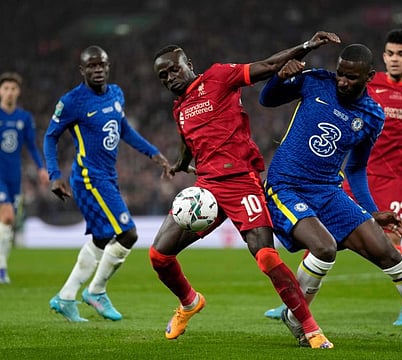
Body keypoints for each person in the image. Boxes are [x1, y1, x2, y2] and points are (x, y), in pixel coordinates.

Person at [258, 43, 402, 348]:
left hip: (328, 189)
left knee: (388, 252)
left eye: (351, 77)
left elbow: (357, 168)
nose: (342, 81)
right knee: (324, 247)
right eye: (341, 73)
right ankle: (298, 318)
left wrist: (371, 211)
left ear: (369, 76)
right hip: (286, 185)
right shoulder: (318, 80)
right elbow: (267, 99)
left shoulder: (372, 115)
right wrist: (280, 77)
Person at [149, 31, 341, 349]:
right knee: (158, 256)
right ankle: (189, 302)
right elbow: (189, 143)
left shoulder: (219, 77)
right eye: (162, 76)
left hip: (242, 182)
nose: (169, 77)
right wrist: (181, 164)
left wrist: (307, 46)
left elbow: (267, 65)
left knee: (265, 256)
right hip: (206, 189)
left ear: (189, 64)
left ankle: (309, 327)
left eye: (173, 69)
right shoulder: (179, 108)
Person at [44, 45, 172, 322]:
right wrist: (54, 175)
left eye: (101, 65)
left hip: (107, 176)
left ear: (108, 66)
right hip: (89, 178)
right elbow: (50, 136)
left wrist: (154, 153)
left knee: (103, 238)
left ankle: (66, 297)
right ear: (82, 70)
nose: (98, 70)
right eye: (91, 66)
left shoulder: (116, 94)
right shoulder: (72, 101)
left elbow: (123, 129)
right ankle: (96, 292)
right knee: (128, 234)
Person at [0, 72, 49, 284]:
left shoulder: (24, 118)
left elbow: (31, 146)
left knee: (9, 225)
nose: (9, 92)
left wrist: (40, 168)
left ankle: (2, 263)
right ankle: (1, 269)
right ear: (0, 91)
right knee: (8, 216)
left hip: (14, 176)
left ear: (18, 92)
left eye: (13, 88)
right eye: (5, 88)